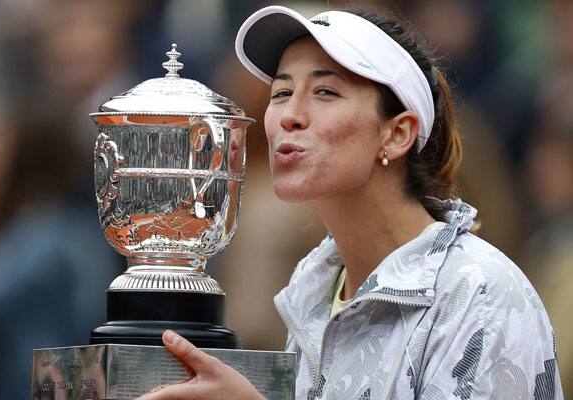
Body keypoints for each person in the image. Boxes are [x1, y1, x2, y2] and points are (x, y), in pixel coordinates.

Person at [140, 5, 563, 400]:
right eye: (281, 93)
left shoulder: (478, 291)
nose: (289, 115)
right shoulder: (312, 287)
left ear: (396, 134)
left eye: (325, 91)